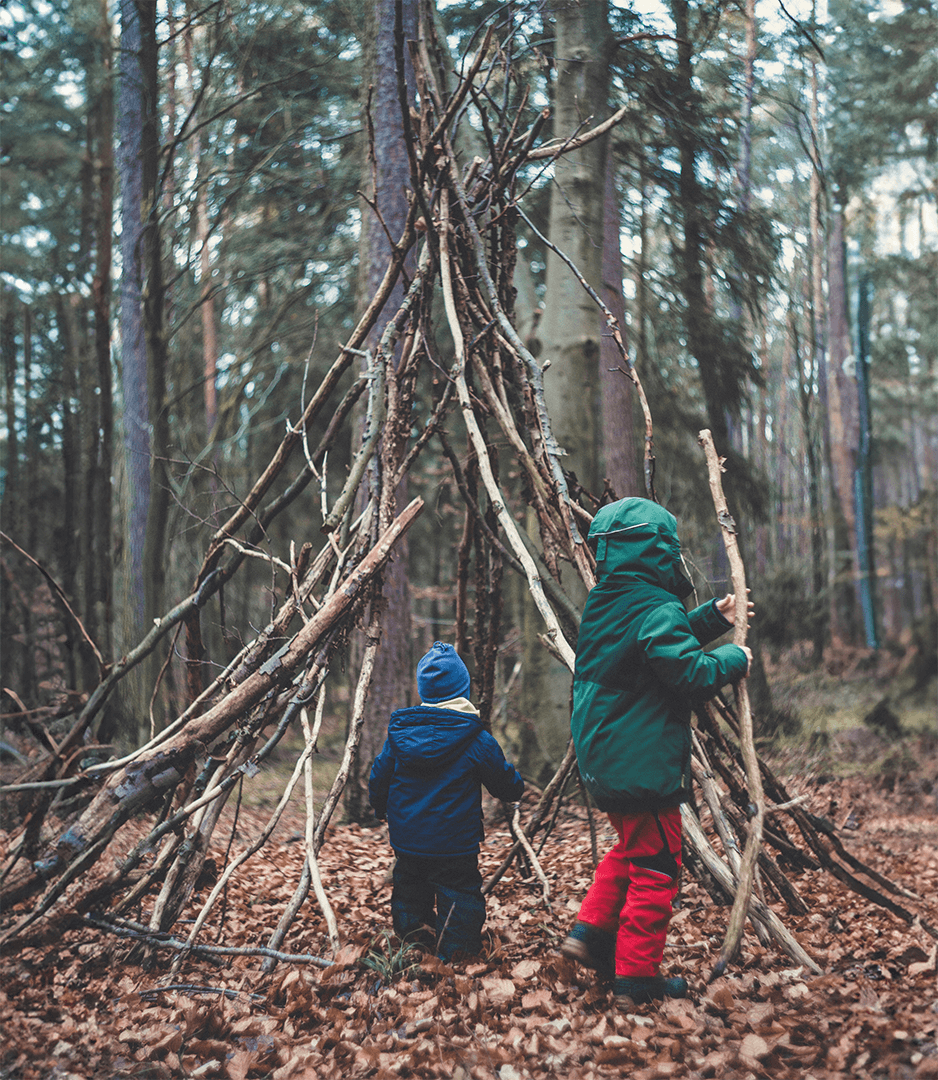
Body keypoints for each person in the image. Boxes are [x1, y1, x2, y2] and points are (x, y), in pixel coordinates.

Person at [560, 497, 753, 1006]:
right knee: (658, 868)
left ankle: (590, 932)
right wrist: (734, 658)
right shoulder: (655, 607)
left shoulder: (606, 602)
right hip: (639, 763)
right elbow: (689, 673)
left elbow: (655, 645)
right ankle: (637, 977)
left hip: (605, 759)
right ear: (657, 549)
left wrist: (712, 617)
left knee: (632, 848)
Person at [369, 642, 524, 962]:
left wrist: (379, 807)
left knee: (410, 891)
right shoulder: (475, 738)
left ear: (424, 691)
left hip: (408, 839)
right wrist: (515, 787)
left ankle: (413, 947)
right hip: (456, 843)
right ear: (463, 689)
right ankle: (457, 956)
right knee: (459, 895)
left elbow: (379, 776)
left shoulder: (401, 736)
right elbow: (503, 782)